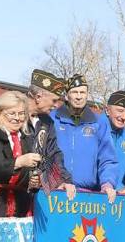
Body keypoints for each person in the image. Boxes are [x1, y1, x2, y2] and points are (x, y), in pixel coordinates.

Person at [50, 74, 117, 202]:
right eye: (74, 92)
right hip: (57, 191)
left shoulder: (99, 122)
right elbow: (46, 156)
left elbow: (107, 159)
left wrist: (107, 183)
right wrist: (57, 181)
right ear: (66, 95)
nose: (79, 96)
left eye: (83, 92)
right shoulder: (52, 119)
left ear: (87, 94)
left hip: (88, 196)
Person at [25, 69, 74, 198]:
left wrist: (64, 181)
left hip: (34, 193)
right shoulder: (14, 115)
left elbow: (53, 155)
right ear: (38, 97)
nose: (56, 105)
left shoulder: (47, 122)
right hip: (9, 191)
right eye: (54, 100)